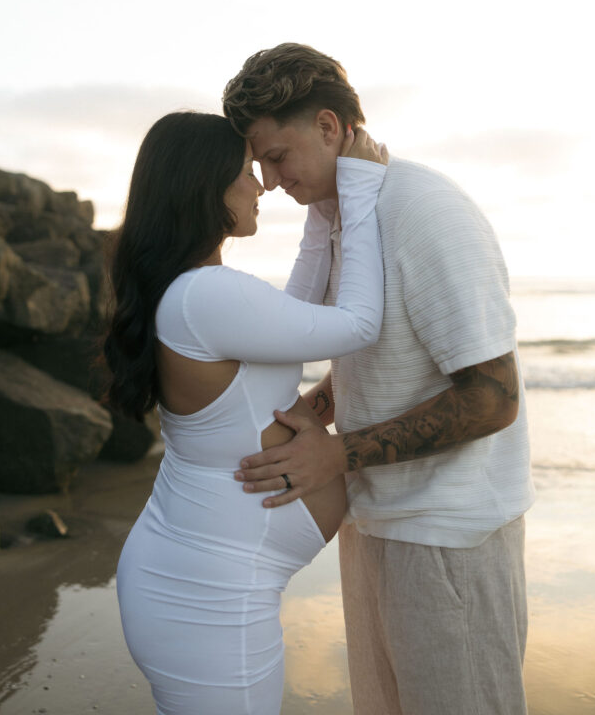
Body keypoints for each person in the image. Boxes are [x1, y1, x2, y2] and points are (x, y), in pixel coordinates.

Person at [223, 44, 535, 715]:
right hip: (378, 520)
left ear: (329, 127)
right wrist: (325, 402)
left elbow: (493, 396)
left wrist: (337, 452)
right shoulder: (341, 215)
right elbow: (388, 349)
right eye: (257, 165)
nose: (269, 181)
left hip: (450, 537)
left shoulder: (423, 211)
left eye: (276, 156)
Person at [103, 110, 387, 715]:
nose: (261, 185)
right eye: (244, 173)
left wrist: (326, 209)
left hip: (199, 581)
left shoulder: (194, 290)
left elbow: (296, 310)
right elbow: (358, 324)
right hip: (206, 599)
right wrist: (359, 188)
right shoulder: (208, 294)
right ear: (206, 189)